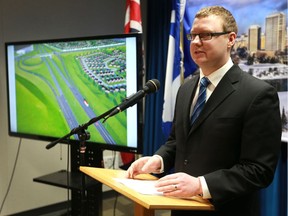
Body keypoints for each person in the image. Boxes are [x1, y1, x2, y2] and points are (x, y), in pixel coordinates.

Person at [126, 5, 282, 216]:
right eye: (193, 36)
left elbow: (258, 170)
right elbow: (177, 141)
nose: (197, 42)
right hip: (181, 207)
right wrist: (158, 160)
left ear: (231, 39)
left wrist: (201, 185)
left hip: (226, 209)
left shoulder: (258, 94)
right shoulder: (186, 88)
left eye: (206, 35)